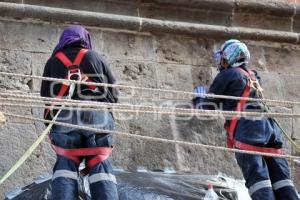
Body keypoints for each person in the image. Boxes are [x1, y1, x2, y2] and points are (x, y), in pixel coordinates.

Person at [193, 39, 299, 200]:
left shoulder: (227, 75)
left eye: (222, 57)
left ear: (228, 57)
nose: (220, 61)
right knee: (282, 180)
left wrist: (198, 98)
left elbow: (206, 108)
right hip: (271, 131)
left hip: (249, 133)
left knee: (259, 182)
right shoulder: (254, 76)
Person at [40, 25, 119, 200]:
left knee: (65, 167)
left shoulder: (52, 62)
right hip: (97, 116)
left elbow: (46, 97)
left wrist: (51, 126)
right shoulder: (95, 57)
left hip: (64, 118)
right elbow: (113, 95)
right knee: (101, 167)